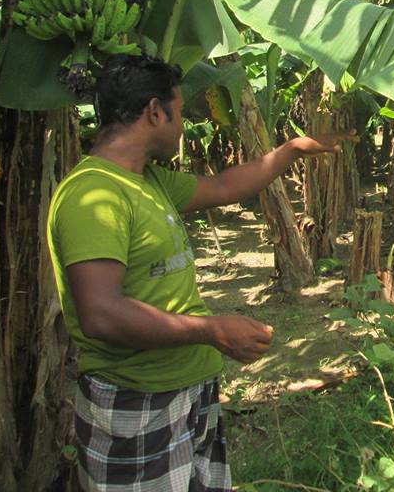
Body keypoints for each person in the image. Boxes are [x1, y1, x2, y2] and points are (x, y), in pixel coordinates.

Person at [47, 54, 354, 491]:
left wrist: (291, 150)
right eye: (180, 111)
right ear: (155, 111)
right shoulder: (94, 195)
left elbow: (226, 186)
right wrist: (210, 330)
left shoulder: (147, 180)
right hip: (139, 401)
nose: (184, 125)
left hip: (188, 389)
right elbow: (100, 313)